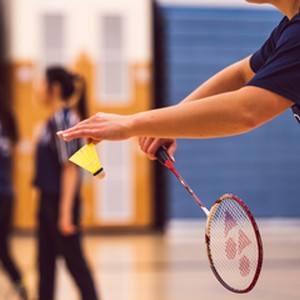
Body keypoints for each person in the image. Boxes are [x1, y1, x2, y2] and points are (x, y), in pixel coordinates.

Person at [57, 0, 300, 161]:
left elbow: (247, 110)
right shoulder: (288, 28)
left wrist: (129, 124)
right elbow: (242, 74)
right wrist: (167, 123)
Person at [33, 66, 100, 300]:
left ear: (55, 88)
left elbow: (70, 168)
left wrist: (64, 214)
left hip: (60, 204)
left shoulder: (65, 119)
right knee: (45, 264)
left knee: (75, 264)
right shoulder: (51, 120)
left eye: (42, 84)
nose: (38, 89)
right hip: (47, 202)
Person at [0, 92, 28, 300]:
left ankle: (21, 286)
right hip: (7, 195)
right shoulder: (6, 128)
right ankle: (21, 286)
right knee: (2, 248)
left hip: (2, 195)